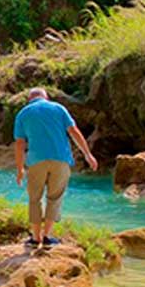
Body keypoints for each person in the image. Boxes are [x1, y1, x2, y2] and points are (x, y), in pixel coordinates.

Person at [13, 88, 97, 247]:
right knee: (55, 197)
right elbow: (74, 131)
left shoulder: (23, 113)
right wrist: (87, 154)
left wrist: (20, 168)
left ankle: (35, 238)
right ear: (46, 97)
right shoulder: (58, 108)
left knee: (35, 199)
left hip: (36, 161)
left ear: (29, 99)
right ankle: (47, 237)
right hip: (61, 160)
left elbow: (20, 143)